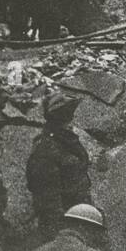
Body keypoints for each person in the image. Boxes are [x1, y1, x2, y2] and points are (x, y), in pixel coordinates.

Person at [26, 92, 92, 240]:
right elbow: (48, 204)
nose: (72, 122)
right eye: (67, 117)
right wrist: (65, 237)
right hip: (64, 230)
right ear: (59, 120)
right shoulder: (45, 151)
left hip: (82, 218)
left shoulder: (67, 141)